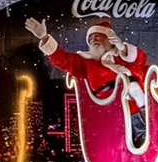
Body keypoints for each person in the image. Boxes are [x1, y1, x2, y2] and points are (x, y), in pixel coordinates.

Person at [25, 17, 149, 146]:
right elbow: (62, 59)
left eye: (98, 36)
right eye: (90, 37)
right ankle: (141, 136)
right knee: (126, 108)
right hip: (110, 103)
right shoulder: (84, 62)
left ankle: (149, 131)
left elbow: (140, 60)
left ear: (109, 39)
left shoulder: (120, 56)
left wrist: (121, 47)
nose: (93, 39)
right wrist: (44, 37)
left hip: (139, 98)